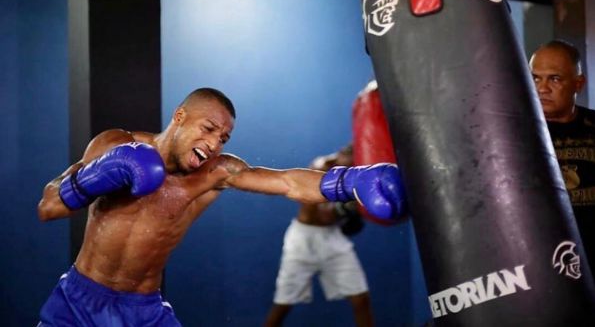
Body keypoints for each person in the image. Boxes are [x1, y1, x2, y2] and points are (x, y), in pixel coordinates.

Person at [36, 87, 407, 326]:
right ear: (179, 117)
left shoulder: (215, 173)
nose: (214, 143)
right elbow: (48, 206)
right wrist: (91, 178)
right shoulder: (116, 143)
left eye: (223, 137)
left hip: (144, 311)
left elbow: (287, 182)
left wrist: (351, 181)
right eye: (208, 128)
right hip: (79, 301)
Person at [264, 144, 373, 327]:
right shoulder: (319, 169)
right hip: (303, 240)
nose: (353, 168)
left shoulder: (355, 175)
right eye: (351, 163)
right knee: (283, 304)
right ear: (339, 156)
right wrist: (349, 207)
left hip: (332, 238)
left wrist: (353, 210)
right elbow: (321, 216)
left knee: (361, 299)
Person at [530, 39, 595, 268]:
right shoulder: (515, 134)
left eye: (554, 79)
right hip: (541, 262)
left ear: (579, 84)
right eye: (535, 78)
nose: (542, 88)